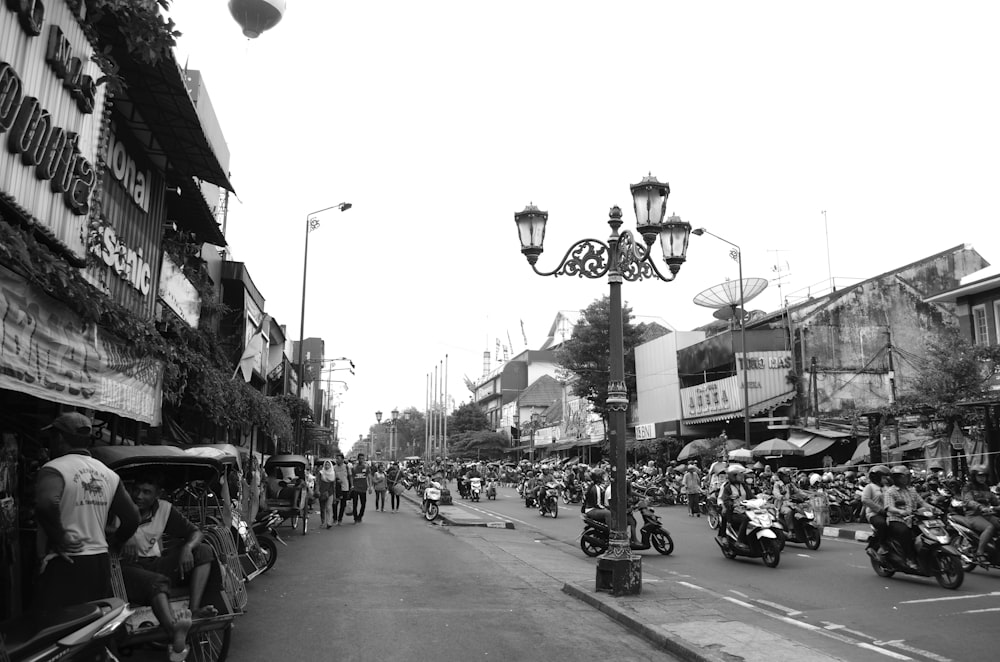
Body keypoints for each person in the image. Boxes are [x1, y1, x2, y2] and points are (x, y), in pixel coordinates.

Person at [33, 412, 140, 611]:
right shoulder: (108, 474)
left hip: (66, 561)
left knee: (58, 629)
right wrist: (114, 543)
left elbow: (46, 503)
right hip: (99, 563)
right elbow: (132, 518)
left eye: (52, 438)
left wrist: (60, 537)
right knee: (90, 627)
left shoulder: (54, 468)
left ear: (60, 439)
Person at [120, 471, 219, 661]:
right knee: (158, 582)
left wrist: (188, 548)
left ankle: (193, 611)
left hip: (155, 564)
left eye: (146, 492)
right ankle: (174, 633)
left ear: (158, 494)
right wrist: (125, 533)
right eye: (136, 490)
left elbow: (196, 532)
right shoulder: (121, 507)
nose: (139, 496)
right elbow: (105, 530)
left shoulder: (164, 509)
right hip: (128, 568)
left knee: (204, 551)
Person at [884, 465, 935, 568]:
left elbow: (922, 502)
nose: (906, 479)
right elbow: (889, 507)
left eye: (906, 476)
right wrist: (900, 511)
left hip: (913, 519)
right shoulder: (890, 491)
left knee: (928, 533)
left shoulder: (912, 490)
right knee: (905, 533)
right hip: (897, 520)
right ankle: (910, 558)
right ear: (896, 478)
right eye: (903, 477)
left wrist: (934, 508)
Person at [960, 465, 1000, 563]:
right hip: (973, 515)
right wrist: (981, 507)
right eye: (980, 476)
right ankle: (980, 553)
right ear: (974, 476)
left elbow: (994, 500)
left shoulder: (986, 487)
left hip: (987, 515)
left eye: (984, 476)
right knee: (989, 528)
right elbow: (968, 501)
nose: (982, 478)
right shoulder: (968, 487)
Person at [862, 465, 891, 557]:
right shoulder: (869, 487)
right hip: (874, 514)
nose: (886, 479)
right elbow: (865, 499)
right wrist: (879, 510)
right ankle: (882, 545)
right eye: (884, 477)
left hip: (889, 513)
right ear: (877, 477)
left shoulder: (887, 488)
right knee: (882, 524)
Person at [719, 464, 751, 542]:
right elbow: (725, 500)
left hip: (745, 510)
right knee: (745, 519)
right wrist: (729, 504)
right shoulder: (727, 487)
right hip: (734, 512)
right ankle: (739, 540)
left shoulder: (744, 486)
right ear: (733, 476)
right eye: (740, 475)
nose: (742, 476)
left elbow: (751, 496)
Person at [772, 467, 805, 532]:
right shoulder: (777, 484)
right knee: (789, 512)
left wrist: (807, 495)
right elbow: (775, 493)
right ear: (781, 477)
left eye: (788, 476)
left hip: (791, 503)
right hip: (781, 504)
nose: (788, 477)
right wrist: (781, 497)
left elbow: (798, 491)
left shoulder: (790, 485)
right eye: (786, 476)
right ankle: (790, 530)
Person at [350, 454, 373, 523]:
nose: (361, 460)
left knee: (363, 503)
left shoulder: (366, 467)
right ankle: (355, 517)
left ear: (364, 459)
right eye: (360, 458)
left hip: (363, 488)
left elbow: (369, 477)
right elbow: (351, 476)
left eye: (362, 458)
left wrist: (370, 487)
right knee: (355, 503)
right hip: (355, 488)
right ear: (358, 459)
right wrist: (352, 485)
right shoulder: (354, 467)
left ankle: (360, 516)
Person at [332, 454, 351, 525]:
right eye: (336, 459)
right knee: (334, 504)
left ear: (342, 460)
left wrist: (351, 486)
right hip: (336, 488)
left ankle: (340, 519)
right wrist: (336, 480)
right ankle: (335, 518)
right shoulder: (334, 468)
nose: (337, 460)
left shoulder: (346, 467)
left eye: (338, 459)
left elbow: (350, 476)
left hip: (345, 488)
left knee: (343, 505)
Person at [317, 460, 337, 528]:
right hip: (322, 492)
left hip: (330, 492)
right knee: (322, 508)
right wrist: (317, 490)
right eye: (326, 464)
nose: (327, 465)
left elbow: (333, 485)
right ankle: (323, 522)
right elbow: (318, 482)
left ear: (330, 465)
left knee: (329, 507)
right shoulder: (321, 473)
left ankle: (329, 522)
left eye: (328, 464)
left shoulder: (333, 473)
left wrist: (334, 495)